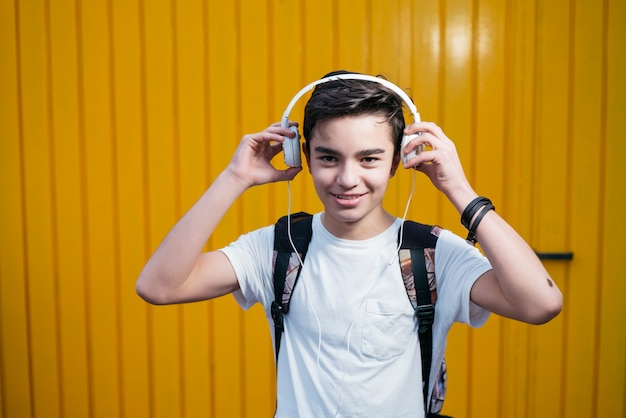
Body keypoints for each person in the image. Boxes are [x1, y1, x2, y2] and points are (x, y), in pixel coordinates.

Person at [136, 70, 562, 417]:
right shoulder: (280, 248)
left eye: (369, 158)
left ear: (399, 161)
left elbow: (540, 305)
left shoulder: (433, 254)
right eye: (328, 157)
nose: (347, 178)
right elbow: (159, 287)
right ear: (302, 157)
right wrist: (234, 179)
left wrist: (462, 192)